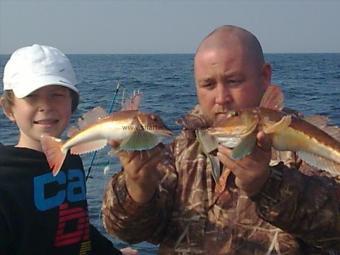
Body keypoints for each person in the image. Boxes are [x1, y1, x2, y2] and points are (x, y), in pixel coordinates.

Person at [101, 25, 340, 254]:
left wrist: (268, 185)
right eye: (208, 84)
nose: (221, 98)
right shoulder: (176, 152)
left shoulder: (301, 144)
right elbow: (127, 231)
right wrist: (138, 190)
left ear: (265, 76)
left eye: (234, 81)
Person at [0, 44, 138, 255]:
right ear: (9, 109)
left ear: (72, 104)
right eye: (31, 96)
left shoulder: (72, 159)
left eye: (57, 95)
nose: (45, 105)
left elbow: (76, 226)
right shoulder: (5, 178)